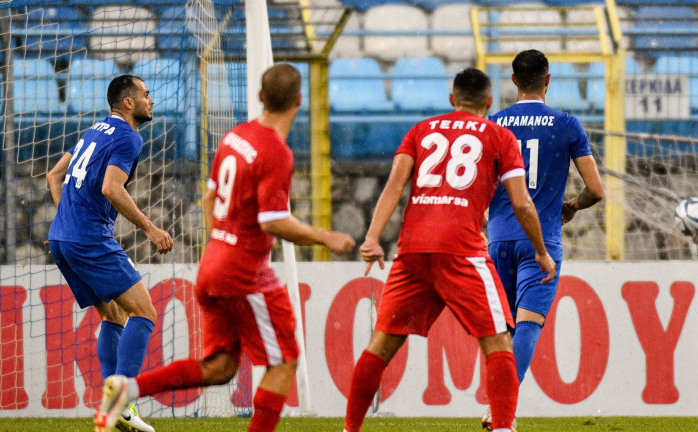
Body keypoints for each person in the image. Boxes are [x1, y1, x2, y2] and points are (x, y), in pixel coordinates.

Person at [93, 64, 355, 432]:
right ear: (299, 100)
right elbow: (273, 221)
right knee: (284, 362)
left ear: (261, 97)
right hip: (245, 271)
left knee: (220, 368)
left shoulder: (235, 137)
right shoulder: (276, 152)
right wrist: (327, 237)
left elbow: (209, 198)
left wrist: (226, 239)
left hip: (213, 262)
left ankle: (126, 388)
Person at [343, 68, 556, 432]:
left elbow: (395, 185)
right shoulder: (500, 136)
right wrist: (540, 250)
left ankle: (350, 430)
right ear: (489, 103)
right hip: (462, 251)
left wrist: (372, 237)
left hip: (413, 250)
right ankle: (503, 428)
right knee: (499, 342)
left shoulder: (421, 131)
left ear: (451, 100)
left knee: (380, 345)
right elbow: (521, 203)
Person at [481, 49, 604, 429]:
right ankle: (502, 412)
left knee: (503, 331)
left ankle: (498, 410)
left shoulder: (494, 123)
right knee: (529, 323)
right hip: (541, 241)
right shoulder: (567, 124)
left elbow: (481, 185)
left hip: (499, 237)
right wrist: (572, 206)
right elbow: (596, 190)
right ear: (548, 80)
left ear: (513, 81)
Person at [46, 75, 174, 432]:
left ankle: (114, 408)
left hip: (62, 238)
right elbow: (111, 188)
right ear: (129, 102)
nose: (152, 100)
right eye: (147, 94)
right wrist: (150, 228)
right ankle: (120, 403)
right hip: (88, 237)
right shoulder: (129, 137)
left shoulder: (95, 130)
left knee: (114, 316)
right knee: (144, 312)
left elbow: (53, 175)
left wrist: (64, 223)